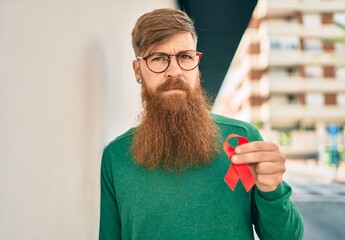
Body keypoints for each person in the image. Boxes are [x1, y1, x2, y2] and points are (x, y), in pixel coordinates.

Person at [99, 8, 304, 240]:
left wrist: (272, 189)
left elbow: (287, 237)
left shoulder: (241, 142)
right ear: (138, 70)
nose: (174, 71)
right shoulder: (116, 157)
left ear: (196, 64)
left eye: (185, 57)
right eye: (158, 58)